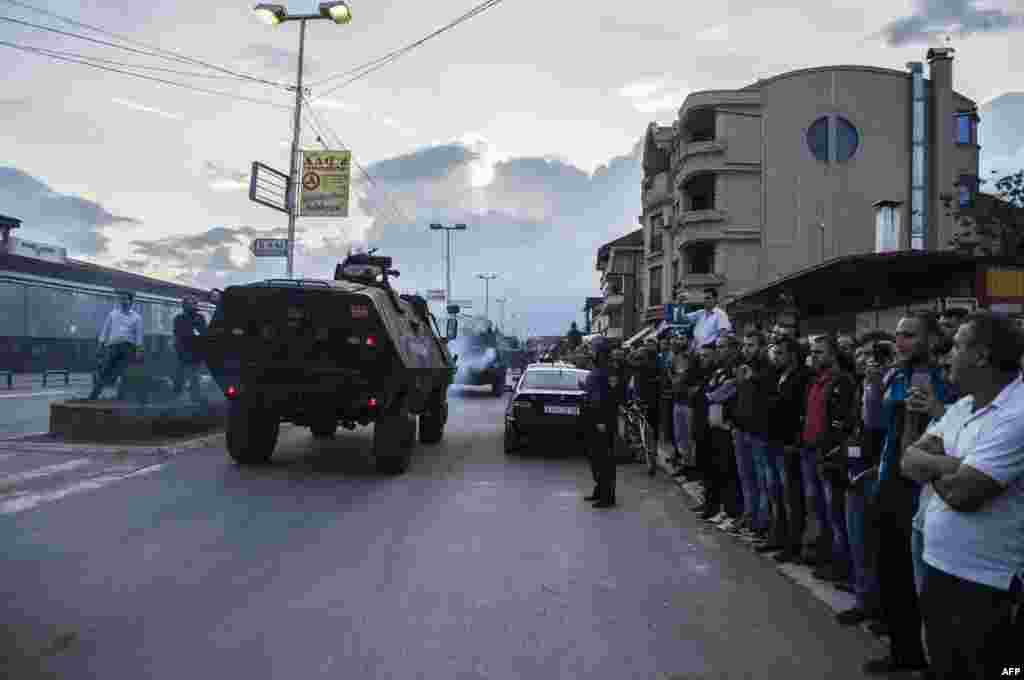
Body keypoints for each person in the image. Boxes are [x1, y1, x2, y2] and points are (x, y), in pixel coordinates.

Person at [900, 312, 1024, 680]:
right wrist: (955, 463)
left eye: (956, 346)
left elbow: (963, 493)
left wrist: (937, 467)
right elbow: (908, 460)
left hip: (989, 584)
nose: (945, 355)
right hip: (940, 568)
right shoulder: (963, 406)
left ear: (982, 356)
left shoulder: (1016, 414)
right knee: (944, 667)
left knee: (1003, 672)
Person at [862, 312, 948, 676]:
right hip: (889, 484)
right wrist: (872, 385)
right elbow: (877, 424)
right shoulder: (896, 374)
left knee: (918, 583)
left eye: (910, 335)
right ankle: (904, 651)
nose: (900, 342)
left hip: (918, 492)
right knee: (891, 573)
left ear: (930, 339)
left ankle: (930, 657)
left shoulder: (939, 379)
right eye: (898, 335)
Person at [802, 334, 857, 583]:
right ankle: (827, 558)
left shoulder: (843, 382)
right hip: (812, 453)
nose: (814, 356)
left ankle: (842, 566)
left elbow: (844, 425)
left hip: (830, 457)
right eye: (812, 352)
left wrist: (834, 454)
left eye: (819, 352)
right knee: (821, 510)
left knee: (836, 514)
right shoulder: (816, 381)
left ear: (833, 355)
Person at [766, 336, 810, 563]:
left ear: (792, 355)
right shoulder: (778, 375)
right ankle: (779, 537)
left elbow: (802, 412)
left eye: (781, 353)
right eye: (776, 353)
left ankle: (794, 545)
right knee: (777, 494)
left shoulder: (802, 377)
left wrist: (796, 441)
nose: (777, 357)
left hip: (790, 444)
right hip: (774, 441)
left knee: (793, 498)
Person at [732, 329, 778, 541]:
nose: (746, 349)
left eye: (751, 345)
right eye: (745, 345)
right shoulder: (743, 367)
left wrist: (754, 378)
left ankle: (763, 521)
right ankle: (750, 516)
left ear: (761, 346)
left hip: (759, 432)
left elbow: (768, 394)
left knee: (762, 481)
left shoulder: (768, 369)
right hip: (741, 429)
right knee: (746, 477)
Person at [702, 334, 743, 527]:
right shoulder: (719, 370)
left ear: (734, 348)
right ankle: (724, 509)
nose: (719, 350)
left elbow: (720, 394)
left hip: (729, 428)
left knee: (730, 473)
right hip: (715, 427)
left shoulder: (737, 369)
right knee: (719, 470)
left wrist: (714, 394)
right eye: (718, 347)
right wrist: (713, 393)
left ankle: (733, 512)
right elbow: (710, 392)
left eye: (723, 347)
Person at [581, 337, 618, 508]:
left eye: (593, 349)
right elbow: (595, 392)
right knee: (595, 457)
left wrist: (601, 420)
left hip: (602, 420)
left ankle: (607, 496)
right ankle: (599, 490)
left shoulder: (609, 370)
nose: (590, 352)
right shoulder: (597, 368)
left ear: (601, 352)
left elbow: (609, 397)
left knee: (604, 459)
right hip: (593, 417)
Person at [89, 291, 144, 400]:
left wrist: (139, 351)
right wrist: (100, 345)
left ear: (131, 301)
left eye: (125, 299)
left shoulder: (137, 318)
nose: (123, 301)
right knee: (105, 370)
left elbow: (139, 336)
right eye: (121, 299)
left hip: (128, 348)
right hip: (113, 347)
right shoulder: (113, 314)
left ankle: (122, 396)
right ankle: (94, 395)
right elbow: (105, 330)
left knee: (125, 373)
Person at [172, 295, 208, 402]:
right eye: (188, 304)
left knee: (195, 375)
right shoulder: (179, 318)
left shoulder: (200, 317)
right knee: (180, 374)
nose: (191, 306)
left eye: (193, 303)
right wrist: (176, 346)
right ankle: (177, 396)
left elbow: (204, 333)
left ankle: (195, 397)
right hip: (182, 350)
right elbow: (176, 333)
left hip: (195, 350)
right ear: (184, 305)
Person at [684, 288, 733, 353]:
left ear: (715, 299)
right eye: (704, 298)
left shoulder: (720, 314)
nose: (705, 300)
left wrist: (713, 348)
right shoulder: (700, 313)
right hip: (696, 352)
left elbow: (723, 335)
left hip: (710, 354)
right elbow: (683, 318)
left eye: (708, 298)